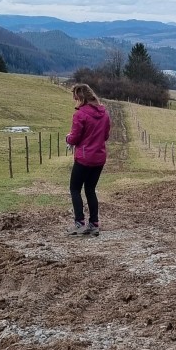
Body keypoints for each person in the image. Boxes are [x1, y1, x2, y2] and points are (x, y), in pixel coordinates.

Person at [65, 82, 112, 235]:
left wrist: (68, 139)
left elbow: (75, 138)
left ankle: (79, 223)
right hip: (99, 157)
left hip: (84, 158)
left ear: (81, 98)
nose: (75, 100)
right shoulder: (104, 113)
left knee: (75, 189)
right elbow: (105, 136)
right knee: (90, 190)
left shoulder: (80, 114)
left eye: (75, 97)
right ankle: (94, 223)